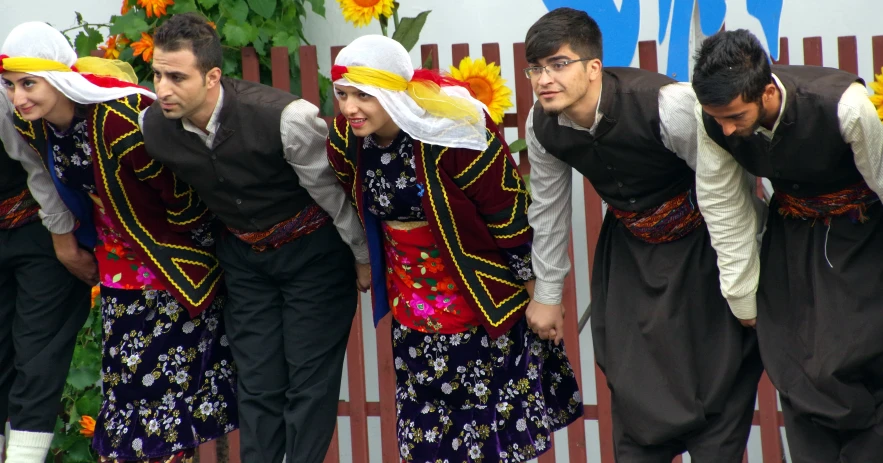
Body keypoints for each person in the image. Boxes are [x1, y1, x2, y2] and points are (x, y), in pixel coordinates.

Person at [325, 34, 584, 462]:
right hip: (413, 308)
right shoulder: (347, 140)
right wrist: (363, 257)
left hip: (479, 299)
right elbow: (350, 199)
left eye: (364, 95)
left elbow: (508, 212)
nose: (350, 107)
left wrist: (538, 289)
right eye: (343, 94)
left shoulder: (454, 133)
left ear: (393, 90)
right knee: (425, 431)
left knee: (486, 433)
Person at [523, 8, 764, 462]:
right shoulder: (543, 125)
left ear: (594, 67)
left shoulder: (667, 105)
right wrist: (548, 293)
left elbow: (728, 188)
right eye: (535, 68)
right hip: (631, 253)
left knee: (719, 377)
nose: (543, 78)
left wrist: (743, 276)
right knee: (632, 379)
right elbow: (549, 210)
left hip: (702, 248)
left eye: (558, 64)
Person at [1, 21, 237, 463]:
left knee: (161, 411)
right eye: (10, 86)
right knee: (126, 401)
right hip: (118, 275)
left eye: (28, 83)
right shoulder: (36, 127)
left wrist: (184, 251)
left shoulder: (120, 121)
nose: (18, 98)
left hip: (169, 276)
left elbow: (184, 194)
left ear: (57, 76)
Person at [138, 13, 368, 463]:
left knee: (308, 384)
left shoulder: (285, 118)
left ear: (212, 77)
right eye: (158, 74)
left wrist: (362, 256)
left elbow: (334, 193)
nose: (163, 88)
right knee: (258, 383)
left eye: (177, 77)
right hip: (244, 259)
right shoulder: (154, 128)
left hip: (314, 256)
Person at [692, 29, 883, 461]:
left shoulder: (844, 106)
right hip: (791, 237)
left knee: (855, 354)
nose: (726, 127)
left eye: (736, 116)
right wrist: (741, 294)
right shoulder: (714, 121)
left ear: (764, 90)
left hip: (860, 233)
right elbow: (724, 204)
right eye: (716, 116)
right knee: (795, 358)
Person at [0, 90, 91, 463]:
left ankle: (24, 457)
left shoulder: (4, 102)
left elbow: (40, 166)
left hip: (39, 227)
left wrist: (64, 242)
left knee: (37, 354)